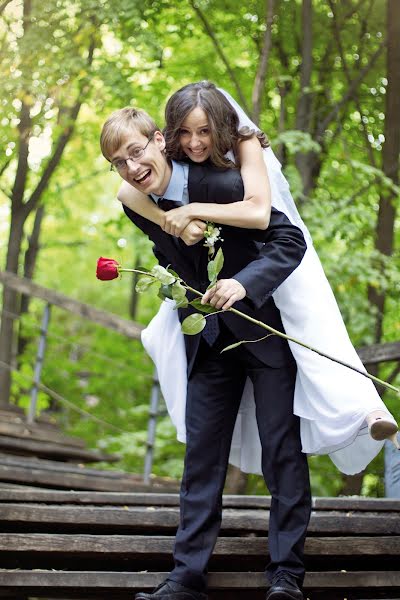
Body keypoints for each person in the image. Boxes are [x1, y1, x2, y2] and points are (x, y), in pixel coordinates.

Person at [116, 82, 399, 476]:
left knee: (315, 323)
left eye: (204, 131)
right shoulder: (167, 161)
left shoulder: (244, 141)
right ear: (170, 134)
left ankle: (367, 409)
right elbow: (129, 194)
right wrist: (176, 227)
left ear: (221, 125)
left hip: (271, 250)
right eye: (185, 132)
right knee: (163, 339)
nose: (195, 142)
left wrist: (196, 211)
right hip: (216, 292)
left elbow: (260, 212)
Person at [100, 107, 312, 600]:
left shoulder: (219, 184)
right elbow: (162, 243)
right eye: (118, 162)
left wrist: (244, 282)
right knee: (200, 458)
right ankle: (186, 577)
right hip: (209, 340)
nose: (131, 168)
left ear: (158, 141)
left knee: (283, 450)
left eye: (136, 153)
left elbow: (287, 238)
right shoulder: (137, 204)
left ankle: (286, 576)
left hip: (263, 331)